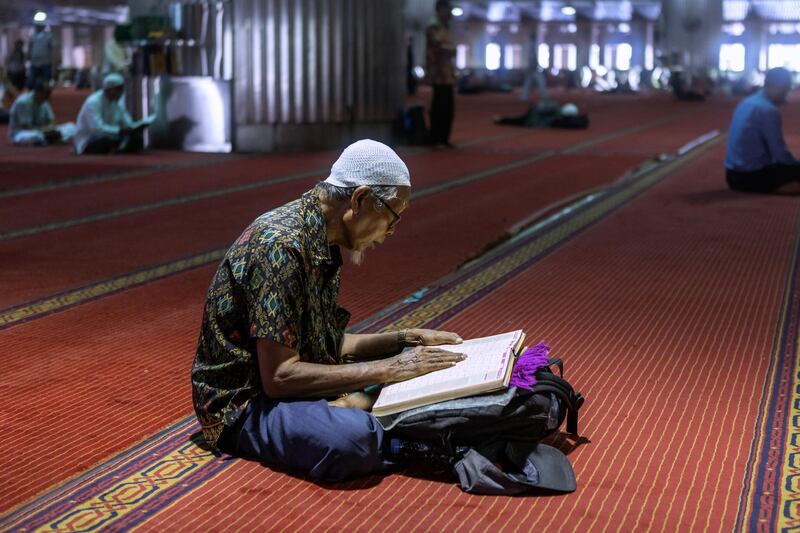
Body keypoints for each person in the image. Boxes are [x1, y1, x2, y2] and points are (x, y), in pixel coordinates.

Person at [191, 139, 466, 482]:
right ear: (360, 199)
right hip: (245, 404)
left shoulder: (320, 239)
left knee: (397, 391)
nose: (392, 231)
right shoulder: (281, 245)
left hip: (286, 384)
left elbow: (322, 342)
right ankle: (382, 425)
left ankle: (368, 411)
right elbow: (279, 378)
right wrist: (392, 368)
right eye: (392, 216)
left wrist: (402, 340)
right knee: (351, 438)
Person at [725, 67, 800, 193]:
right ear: (778, 87)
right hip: (752, 176)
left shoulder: (747, 102)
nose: (786, 94)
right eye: (786, 89)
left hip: (732, 175)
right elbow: (780, 154)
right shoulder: (768, 110)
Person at [74, 73, 150, 154]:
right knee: (105, 141)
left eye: (121, 89)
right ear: (108, 89)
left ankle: (119, 148)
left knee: (137, 139)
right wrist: (119, 130)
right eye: (118, 89)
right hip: (89, 139)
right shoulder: (93, 102)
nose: (121, 93)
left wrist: (135, 127)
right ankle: (119, 148)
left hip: (112, 136)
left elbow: (127, 122)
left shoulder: (118, 102)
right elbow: (97, 128)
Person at [425, 0, 456, 148]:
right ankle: (435, 138)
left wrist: (450, 50)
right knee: (439, 107)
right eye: (448, 9)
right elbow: (440, 47)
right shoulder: (433, 26)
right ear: (440, 9)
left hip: (448, 74)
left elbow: (451, 49)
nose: (450, 12)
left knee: (449, 108)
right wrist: (450, 50)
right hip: (438, 74)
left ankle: (444, 138)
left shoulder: (446, 27)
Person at [8, 81, 75, 145]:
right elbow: (26, 126)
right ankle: (51, 139)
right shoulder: (23, 102)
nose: (47, 97)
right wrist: (44, 130)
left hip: (43, 130)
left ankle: (50, 138)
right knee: (37, 137)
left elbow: (51, 120)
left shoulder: (44, 100)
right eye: (46, 94)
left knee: (72, 127)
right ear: (38, 92)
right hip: (22, 132)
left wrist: (51, 129)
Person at [28, 20, 55, 89]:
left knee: (46, 80)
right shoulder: (32, 35)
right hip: (34, 62)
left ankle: (45, 94)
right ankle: (32, 95)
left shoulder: (49, 36)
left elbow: (53, 47)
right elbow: (30, 47)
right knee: (32, 81)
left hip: (45, 62)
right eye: (37, 26)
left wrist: (54, 60)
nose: (38, 27)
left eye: (40, 26)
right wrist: (28, 57)